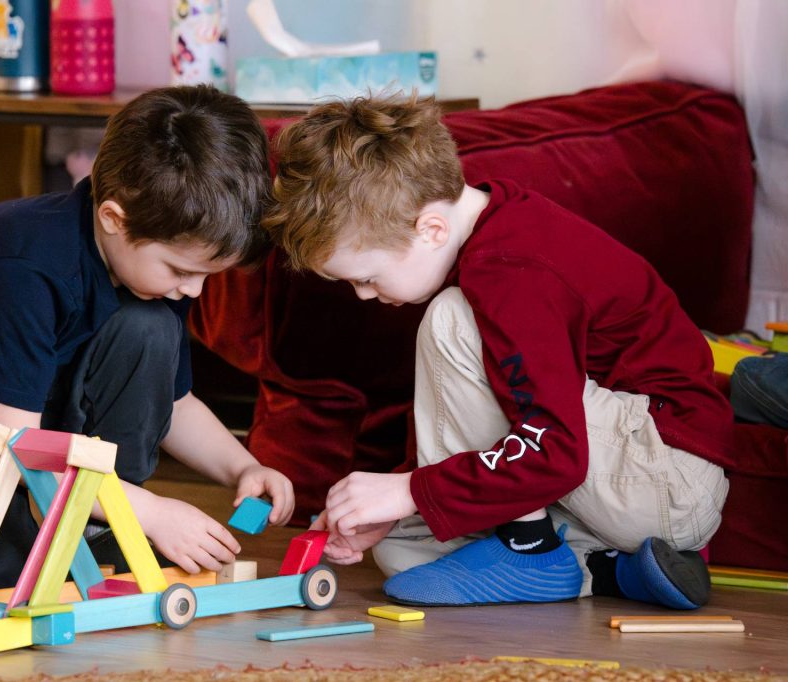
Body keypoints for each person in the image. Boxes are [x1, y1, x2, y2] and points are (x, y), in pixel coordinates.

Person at [0, 85, 294, 589]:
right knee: (5, 573)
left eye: (205, 275)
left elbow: (175, 402)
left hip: (19, 412)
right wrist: (147, 510)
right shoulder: (22, 266)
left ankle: (96, 516)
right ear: (113, 219)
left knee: (147, 328)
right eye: (180, 270)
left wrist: (243, 467)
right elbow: (19, 447)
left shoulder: (153, 268)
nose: (191, 290)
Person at [262, 94, 732, 609]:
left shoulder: (509, 275)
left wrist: (410, 491)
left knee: (451, 320)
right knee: (401, 551)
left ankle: (531, 553)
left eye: (368, 279)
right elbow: (493, 421)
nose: (366, 297)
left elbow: (555, 449)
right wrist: (396, 505)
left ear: (431, 229)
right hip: (608, 474)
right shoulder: (491, 224)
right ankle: (617, 568)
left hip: (665, 476)